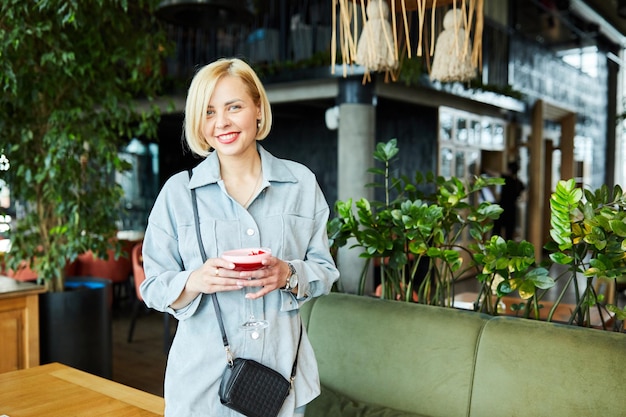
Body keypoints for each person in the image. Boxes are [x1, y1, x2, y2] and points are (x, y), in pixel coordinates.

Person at [140, 57, 340, 417]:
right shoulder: (178, 194)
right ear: (199, 124)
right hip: (200, 386)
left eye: (234, 107)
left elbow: (324, 270)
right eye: (209, 112)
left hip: (281, 382)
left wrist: (290, 275)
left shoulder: (301, 184)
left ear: (258, 110)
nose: (223, 123)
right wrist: (197, 279)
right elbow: (153, 285)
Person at [492, 161, 526, 241]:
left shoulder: (505, 178)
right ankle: (507, 252)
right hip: (512, 210)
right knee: (509, 234)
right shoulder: (519, 182)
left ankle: (495, 251)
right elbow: (524, 198)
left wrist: (484, 169)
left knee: (496, 232)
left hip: (501, 208)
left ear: (509, 170)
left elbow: (495, 175)